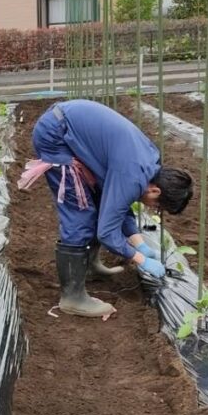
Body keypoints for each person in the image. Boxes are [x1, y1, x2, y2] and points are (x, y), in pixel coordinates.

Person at [19, 100, 194, 318]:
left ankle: (90, 267)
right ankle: (72, 298)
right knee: (80, 212)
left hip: (66, 124)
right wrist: (141, 259)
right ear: (156, 192)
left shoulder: (148, 164)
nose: (153, 209)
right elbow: (107, 231)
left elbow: (117, 205)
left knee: (98, 201)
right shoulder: (132, 175)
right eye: (158, 207)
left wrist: (139, 243)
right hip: (56, 136)